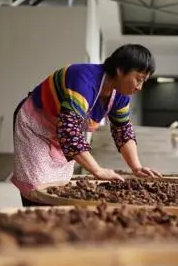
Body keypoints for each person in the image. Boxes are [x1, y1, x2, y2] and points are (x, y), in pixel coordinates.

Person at [11, 44, 163, 206]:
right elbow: (69, 132)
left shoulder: (121, 95)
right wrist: (97, 170)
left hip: (58, 134)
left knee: (58, 187)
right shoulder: (83, 79)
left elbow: (123, 129)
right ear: (120, 70)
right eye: (138, 79)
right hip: (35, 126)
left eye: (143, 82)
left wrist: (136, 167)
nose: (139, 87)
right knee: (37, 189)